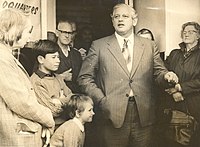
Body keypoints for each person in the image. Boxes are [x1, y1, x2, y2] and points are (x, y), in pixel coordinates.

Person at [77, 3, 178, 147]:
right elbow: (84, 78)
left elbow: (159, 72)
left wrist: (167, 76)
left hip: (143, 114)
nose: (120, 20)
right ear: (112, 21)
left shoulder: (149, 45)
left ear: (134, 21)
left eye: (125, 16)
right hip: (111, 114)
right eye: (116, 16)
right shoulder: (99, 46)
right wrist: (102, 100)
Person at [0, 8, 55, 147]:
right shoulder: (2, 60)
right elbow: (21, 102)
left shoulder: (6, 57)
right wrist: (48, 119)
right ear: (15, 31)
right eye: (28, 31)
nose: (30, 37)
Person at [158, 21, 200, 147]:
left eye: (191, 32)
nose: (186, 34)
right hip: (172, 104)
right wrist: (173, 90)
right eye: (184, 32)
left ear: (198, 35)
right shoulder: (174, 53)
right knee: (171, 139)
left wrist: (181, 88)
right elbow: (164, 73)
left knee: (192, 140)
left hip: (193, 106)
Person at [30, 39, 73, 129]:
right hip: (51, 128)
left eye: (58, 57)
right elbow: (53, 111)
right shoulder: (36, 82)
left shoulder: (58, 77)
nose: (58, 61)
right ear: (41, 59)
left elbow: (73, 99)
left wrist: (59, 101)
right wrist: (65, 100)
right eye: (53, 57)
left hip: (65, 124)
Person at [55, 19, 82, 93]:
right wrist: (61, 77)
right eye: (64, 32)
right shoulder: (50, 51)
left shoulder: (77, 54)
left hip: (75, 96)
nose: (67, 36)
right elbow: (40, 76)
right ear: (57, 33)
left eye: (70, 33)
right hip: (57, 94)